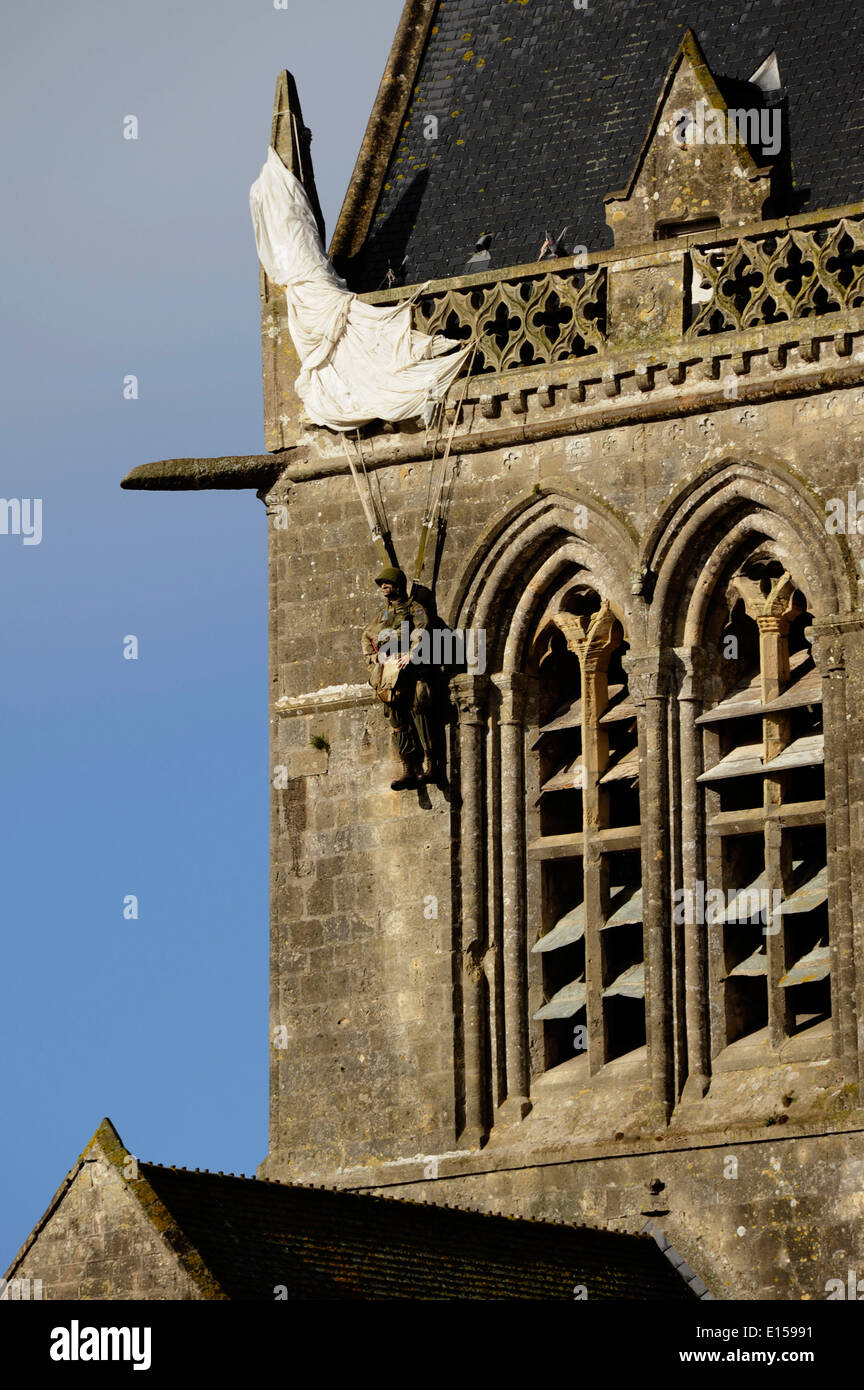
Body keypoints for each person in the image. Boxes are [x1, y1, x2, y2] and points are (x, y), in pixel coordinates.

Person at [362, 568, 434, 790]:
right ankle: (408, 768)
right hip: (390, 673)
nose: (383, 586)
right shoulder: (383, 614)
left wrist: (411, 654)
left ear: (398, 585)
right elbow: (367, 635)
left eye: (387, 582)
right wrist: (372, 657)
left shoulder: (415, 609)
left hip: (412, 671)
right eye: (381, 583)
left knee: (419, 710)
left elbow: (423, 631)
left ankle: (432, 765)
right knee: (396, 718)